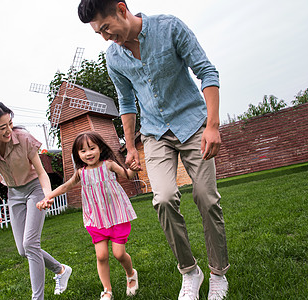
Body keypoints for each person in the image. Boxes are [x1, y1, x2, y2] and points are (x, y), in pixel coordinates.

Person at [78, 1, 230, 300]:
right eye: (98, 33)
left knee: (205, 197)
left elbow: (207, 72)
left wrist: (212, 126)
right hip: (155, 133)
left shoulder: (169, 27)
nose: (106, 37)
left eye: (106, 28)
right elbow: (125, 102)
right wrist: (131, 145)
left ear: (121, 9)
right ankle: (190, 271)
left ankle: (218, 273)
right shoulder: (114, 57)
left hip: (193, 124)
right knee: (162, 199)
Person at [0, 100, 72, 300]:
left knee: (31, 243)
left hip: (35, 189)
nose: (9, 130)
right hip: (13, 194)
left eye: (9, 123)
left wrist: (47, 195)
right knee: (23, 249)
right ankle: (60, 270)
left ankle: (37, 298)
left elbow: (42, 173)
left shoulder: (23, 138)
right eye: (2, 127)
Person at [36, 131, 139, 300]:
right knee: (101, 255)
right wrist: (48, 197)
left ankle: (131, 273)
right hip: (95, 219)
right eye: (83, 151)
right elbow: (65, 187)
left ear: (100, 148)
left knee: (119, 254)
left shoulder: (109, 165)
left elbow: (127, 175)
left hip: (117, 215)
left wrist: (133, 170)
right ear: (77, 154)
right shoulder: (80, 173)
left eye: (92, 148)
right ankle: (107, 290)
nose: (88, 153)